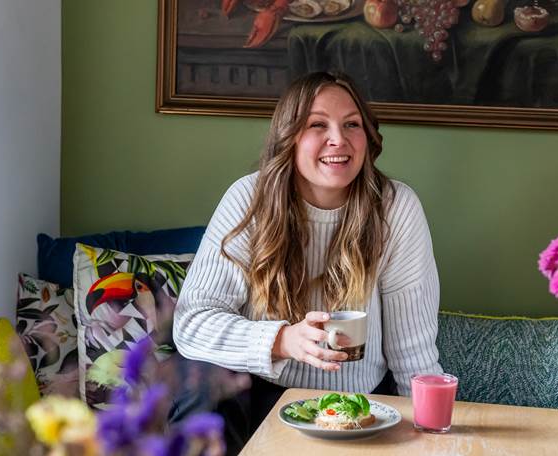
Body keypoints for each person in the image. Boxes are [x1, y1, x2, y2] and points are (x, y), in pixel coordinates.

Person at [170, 71, 442, 452]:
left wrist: (434, 433)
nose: (339, 139)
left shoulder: (395, 208)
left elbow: (412, 348)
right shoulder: (249, 199)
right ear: (290, 136)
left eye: (352, 124)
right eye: (318, 124)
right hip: (258, 396)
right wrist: (282, 340)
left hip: (361, 407)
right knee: (199, 383)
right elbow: (192, 323)